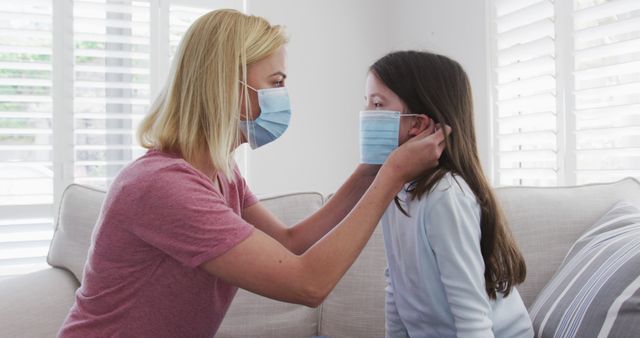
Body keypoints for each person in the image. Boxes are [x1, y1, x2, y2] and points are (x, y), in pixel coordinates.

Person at [57, 10, 450, 338]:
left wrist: (370, 171)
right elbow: (308, 283)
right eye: (275, 83)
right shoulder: (161, 186)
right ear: (226, 85)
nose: (283, 95)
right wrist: (391, 177)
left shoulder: (220, 173)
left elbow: (290, 242)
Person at [361, 50, 534, 338]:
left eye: (377, 104)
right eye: (366, 103)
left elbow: (472, 317)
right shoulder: (393, 187)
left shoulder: (446, 196)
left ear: (418, 125)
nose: (366, 115)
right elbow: (396, 287)